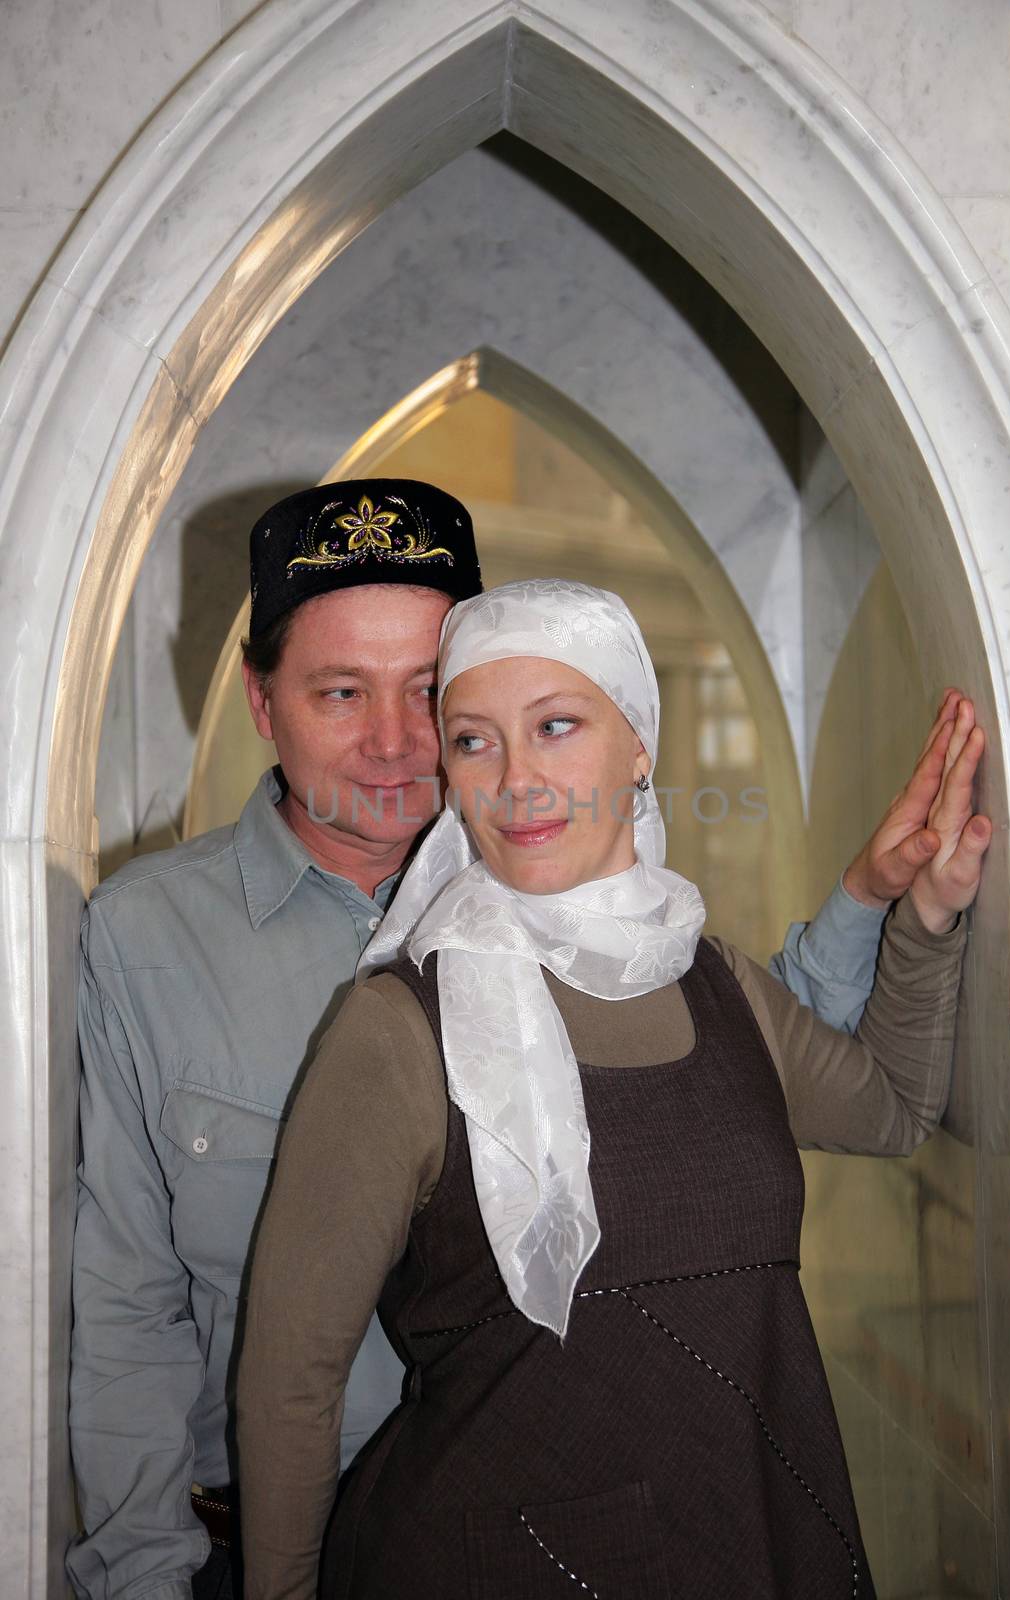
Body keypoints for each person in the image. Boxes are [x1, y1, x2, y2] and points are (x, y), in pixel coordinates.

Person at [66, 475, 961, 1600]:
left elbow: (709, 1080)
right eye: (341, 691)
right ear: (260, 699)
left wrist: (885, 904)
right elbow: (122, 1309)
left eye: (430, 694)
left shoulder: (579, 903)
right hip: (277, 1542)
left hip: (628, 1518)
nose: (397, 744)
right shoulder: (153, 941)